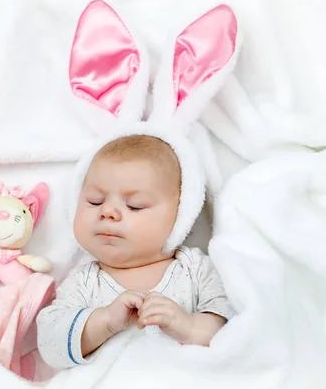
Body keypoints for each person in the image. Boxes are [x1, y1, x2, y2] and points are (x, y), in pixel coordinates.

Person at [36, 134, 234, 371]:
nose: (108, 211)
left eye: (134, 206)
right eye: (95, 201)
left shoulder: (195, 269)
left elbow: (233, 332)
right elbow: (50, 345)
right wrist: (104, 321)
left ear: (181, 215)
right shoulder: (83, 282)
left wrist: (189, 326)